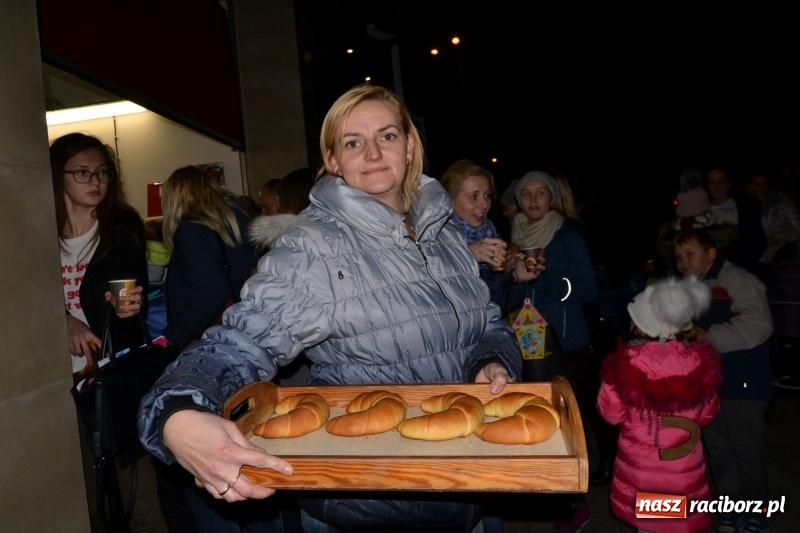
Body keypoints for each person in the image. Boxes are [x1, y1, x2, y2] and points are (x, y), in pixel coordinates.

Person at [138, 83, 523, 532]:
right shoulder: (315, 245)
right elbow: (242, 340)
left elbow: (489, 321)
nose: (374, 153)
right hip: (369, 501)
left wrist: (491, 359)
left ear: (411, 145)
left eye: (388, 136)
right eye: (353, 143)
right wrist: (179, 411)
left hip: (472, 481)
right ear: (334, 160)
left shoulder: (445, 233)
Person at [50, 132, 166, 532]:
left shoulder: (120, 227)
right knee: (84, 500)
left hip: (109, 376)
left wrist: (125, 309)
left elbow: (129, 303)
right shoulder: (38, 232)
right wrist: (62, 317)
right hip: (55, 380)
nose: (94, 180)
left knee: (138, 498)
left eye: (101, 172)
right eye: (81, 172)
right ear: (58, 176)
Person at [509, 170, 598, 532]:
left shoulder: (568, 237)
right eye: (525, 193)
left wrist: (548, 284)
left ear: (552, 198)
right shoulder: (513, 236)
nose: (532, 199)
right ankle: (544, 489)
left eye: (540, 193)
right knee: (536, 417)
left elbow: (589, 288)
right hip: (528, 341)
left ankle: (576, 502)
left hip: (566, 340)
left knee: (569, 424)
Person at [598, 276, 721, 533]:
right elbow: (708, 415)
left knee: (650, 527)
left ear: (639, 324)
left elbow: (610, 414)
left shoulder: (623, 366)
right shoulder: (700, 364)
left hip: (643, 477)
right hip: (684, 474)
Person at [673, 228, 774, 533]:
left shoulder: (736, 280)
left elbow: (759, 324)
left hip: (744, 383)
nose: (682, 262)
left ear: (712, 253)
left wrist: (709, 337)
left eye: (690, 254)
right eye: (678, 257)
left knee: (746, 449)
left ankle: (757, 511)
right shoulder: (690, 287)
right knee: (718, 449)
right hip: (708, 386)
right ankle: (729, 508)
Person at [159, 165, 258, 351]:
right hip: (249, 334)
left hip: (215, 342)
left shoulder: (190, 232)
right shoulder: (238, 223)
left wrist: (174, 335)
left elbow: (211, 289)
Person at [441, 159, 518, 313]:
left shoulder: (490, 232)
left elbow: (499, 300)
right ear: (451, 199)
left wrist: (515, 275)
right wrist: (467, 255)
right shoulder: (435, 237)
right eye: (474, 196)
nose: (484, 204)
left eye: (487, 195)